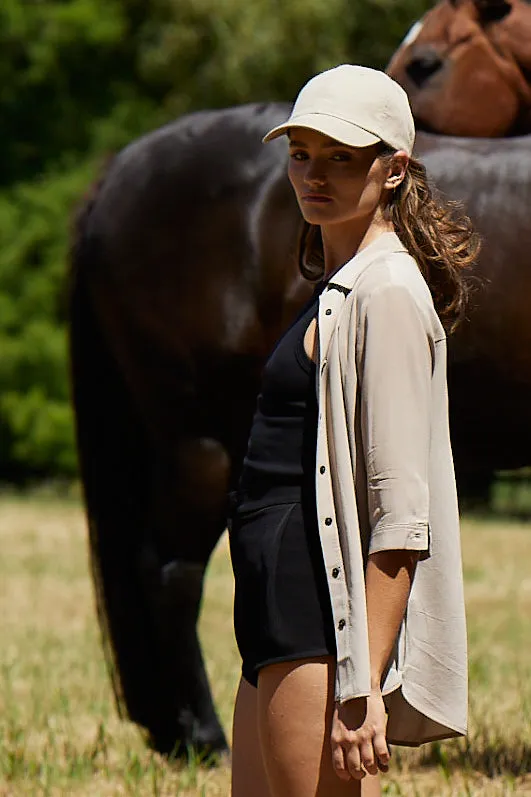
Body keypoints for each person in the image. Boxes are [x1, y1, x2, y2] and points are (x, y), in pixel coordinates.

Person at [228, 64, 477, 797]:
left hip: (317, 616)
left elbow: (401, 513)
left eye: (341, 156)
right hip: (274, 608)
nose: (314, 173)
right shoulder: (342, 285)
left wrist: (359, 677)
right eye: (301, 152)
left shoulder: (388, 291)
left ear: (393, 168)